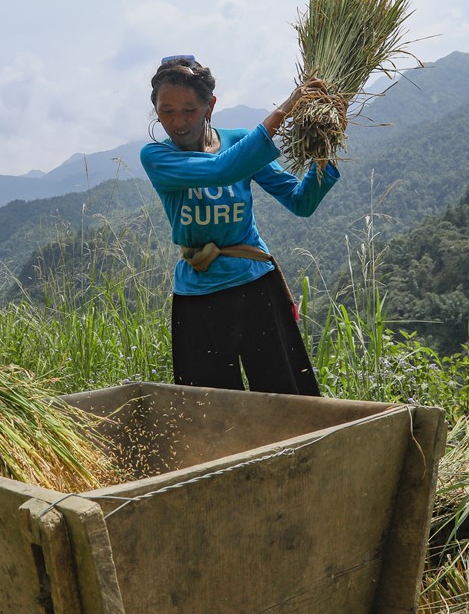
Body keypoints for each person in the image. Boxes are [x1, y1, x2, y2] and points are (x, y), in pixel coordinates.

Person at [140, 54, 339, 396]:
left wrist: (325, 146)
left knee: (287, 393)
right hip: (199, 296)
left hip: (257, 284)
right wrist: (285, 109)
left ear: (209, 106)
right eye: (166, 111)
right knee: (210, 408)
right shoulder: (158, 157)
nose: (178, 122)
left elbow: (300, 201)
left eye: (189, 109)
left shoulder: (239, 143)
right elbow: (221, 170)